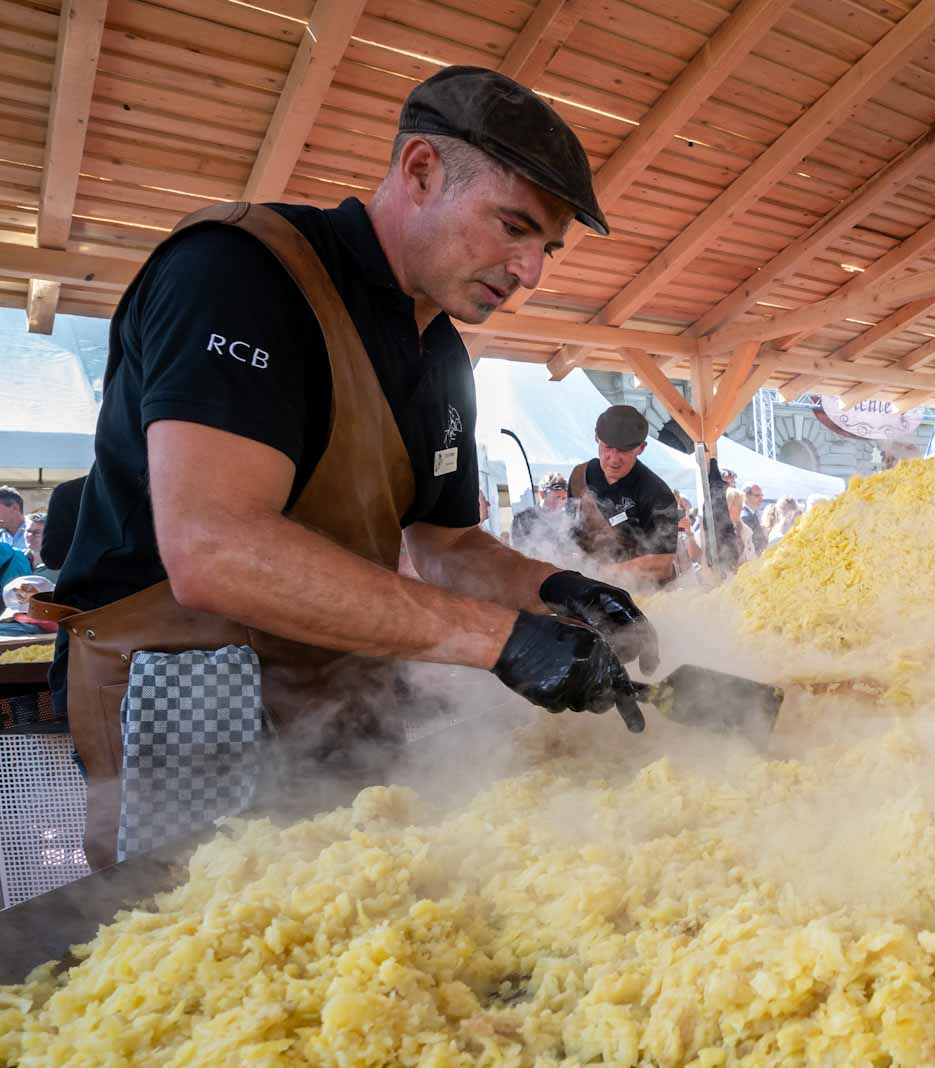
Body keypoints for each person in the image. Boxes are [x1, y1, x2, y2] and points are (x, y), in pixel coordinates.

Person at [45, 65, 654, 868]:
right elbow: (213, 546)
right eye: (513, 226)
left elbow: (448, 545)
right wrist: (503, 640)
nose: (532, 270)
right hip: (184, 695)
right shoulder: (243, 274)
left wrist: (559, 591)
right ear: (421, 170)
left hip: (339, 693)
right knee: (208, 949)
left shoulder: (439, 353)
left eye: (545, 247)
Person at [569, 405, 681, 584]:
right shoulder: (580, 477)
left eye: (623, 450)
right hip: (592, 588)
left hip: (647, 594)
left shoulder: (657, 493)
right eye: (608, 447)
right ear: (596, 437)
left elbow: (662, 564)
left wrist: (603, 574)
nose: (613, 458)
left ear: (641, 448)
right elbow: (569, 533)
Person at [509, 472, 571, 550]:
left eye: (563, 498)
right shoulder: (522, 520)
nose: (559, 503)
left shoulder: (567, 521)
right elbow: (517, 552)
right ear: (542, 494)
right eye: (556, 497)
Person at [740, 484, 769, 553]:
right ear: (746, 496)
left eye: (761, 495)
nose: (761, 499)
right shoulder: (746, 517)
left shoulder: (752, 514)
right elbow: (754, 544)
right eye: (757, 496)